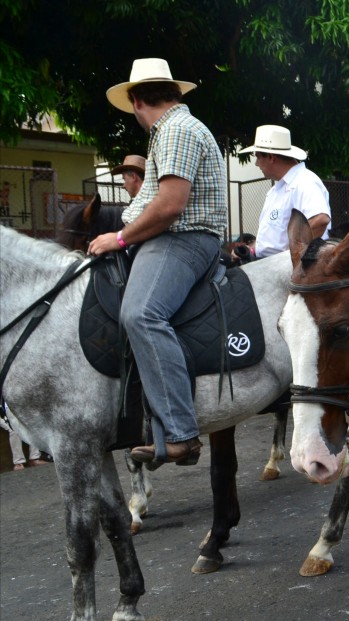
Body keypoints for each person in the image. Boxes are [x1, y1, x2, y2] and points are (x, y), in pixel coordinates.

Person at [88, 58, 227, 465]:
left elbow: (170, 206)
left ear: (135, 100)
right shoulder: (171, 130)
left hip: (183, 240)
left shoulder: (177, 130)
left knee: (141, 314)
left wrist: (118, 236)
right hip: (170, 238)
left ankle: (182, 433)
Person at [240, 125, 331, 258]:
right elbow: (274, 241)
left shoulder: (304, 181)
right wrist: (252, 249)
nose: (256, 163)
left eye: (258, 157)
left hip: (290, 270)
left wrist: (290, 255)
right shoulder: (277, 190)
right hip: (272, 266)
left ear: (271, 157)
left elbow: (321, 219)